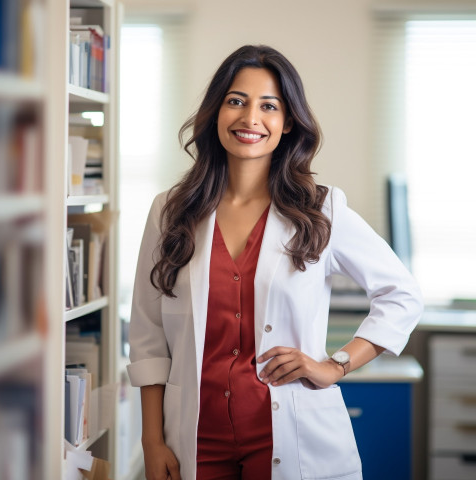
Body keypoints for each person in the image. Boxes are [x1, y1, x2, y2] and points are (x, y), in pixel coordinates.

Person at [126, 44, 423, 480]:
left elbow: (402, 294)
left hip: (291, 434)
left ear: (287, 123)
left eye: (269, 106)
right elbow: (148, 334)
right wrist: (152, 441)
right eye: (236, 101)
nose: (250, 119)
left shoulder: (321, 209)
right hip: (194, 436)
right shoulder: (170, 211)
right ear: (215, 113)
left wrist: (335, 365)